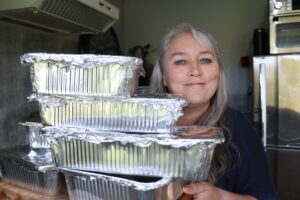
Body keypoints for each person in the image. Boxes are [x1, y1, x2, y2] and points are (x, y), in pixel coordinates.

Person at [149, 23, 278, 200]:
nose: (195, 70)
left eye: (205, 60)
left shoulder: (237, 126)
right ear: (163, 75)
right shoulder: (142, 130)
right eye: (180, 61)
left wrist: (221, 197)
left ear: (218, 72)